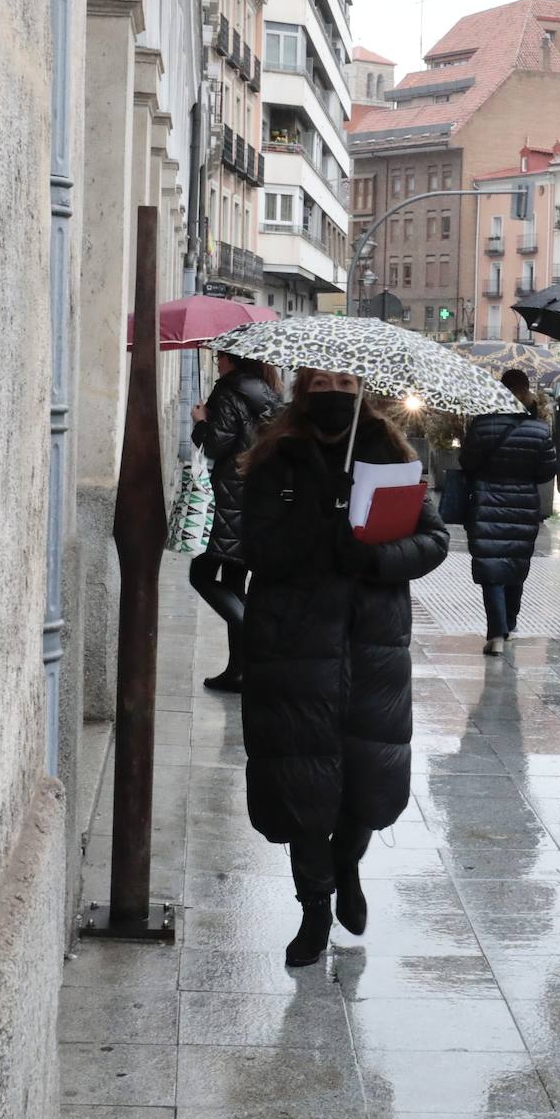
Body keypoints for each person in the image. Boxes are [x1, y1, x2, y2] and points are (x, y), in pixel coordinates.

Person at [239, 369, 449, 967]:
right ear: (305, 391)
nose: (336, 394)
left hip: (370, 647)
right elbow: (255, 549)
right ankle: (313, 911)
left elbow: (432, 541)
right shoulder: (276, 459)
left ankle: (348, 865)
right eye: (323, 383)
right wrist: (320, 520)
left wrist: (372, 555)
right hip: (294, 647)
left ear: (363, 392)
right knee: (302, 786)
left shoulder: (390, 455)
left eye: (347, 384)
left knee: (365, 780)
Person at [189, 353, 281, 691]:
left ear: (233, 360)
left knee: (200, 575)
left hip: (227, 499)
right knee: (232, 584)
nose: (216, 362)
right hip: (255, 498)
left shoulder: (228, 392)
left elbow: (216, 444)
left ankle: (256, 636)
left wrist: (200, 421)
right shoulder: (268, 393)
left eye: (220, 357)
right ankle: (238, 671)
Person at [459, 368, 557, 656]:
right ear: (527, 393)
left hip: (485, 504)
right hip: (523, 507)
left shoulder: (482, 424)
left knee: (491, 569)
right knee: (515, 566)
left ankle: (496, 632)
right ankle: (510, 625)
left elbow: (466, 462)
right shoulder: (539, 430)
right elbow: (547, 472)